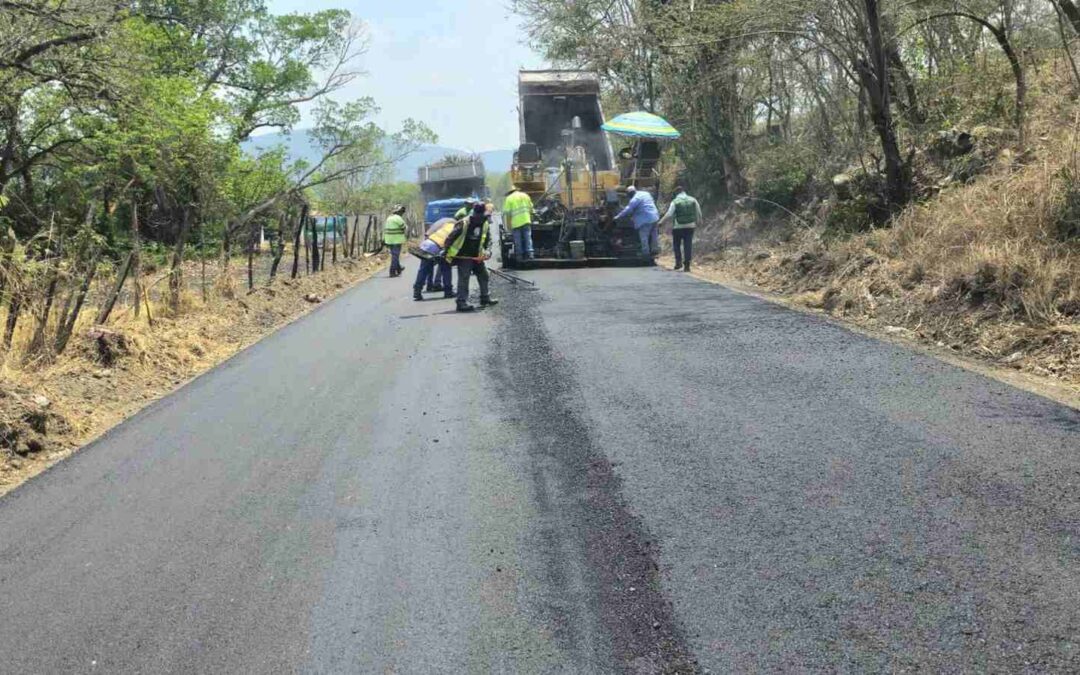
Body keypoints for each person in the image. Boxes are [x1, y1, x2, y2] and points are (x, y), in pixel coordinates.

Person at [446, 202, 499, 313]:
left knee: (483, 275)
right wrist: (445, 251)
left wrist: (488, 251)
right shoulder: (463, 223)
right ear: (474, 214)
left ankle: (485, 298)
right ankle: (461, 303)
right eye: (479, 216)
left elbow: (488, 240)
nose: (481, 219)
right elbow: (450, 238)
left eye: (483, 216)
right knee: (464, 278)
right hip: (464, 256)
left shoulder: (485, 223)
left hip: (477, 256)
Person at [658, 186, 702, 271]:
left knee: (676, 245)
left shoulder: (675, 201)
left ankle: (678, 263)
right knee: (688, 245)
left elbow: (669, 214)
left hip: (678, 226)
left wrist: (661, 222)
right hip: (690, 226)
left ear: (676, 193)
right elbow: (698, 212)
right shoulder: (693, 199)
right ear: (684, 191)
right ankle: (687, 265)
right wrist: (699, 221)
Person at [412, 218, 457, 301]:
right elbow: (452, 242)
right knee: (446, 268)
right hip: (437, 246)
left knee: (424, 269)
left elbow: (430, 233)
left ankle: (417, 291)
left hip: (427, 244)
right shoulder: (456, 228)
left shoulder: (446, 224)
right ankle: (448, 291)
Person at [614, 185, 660, 261]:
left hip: (645, 220)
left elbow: (628, 209)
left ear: (630, 193)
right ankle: (654, 250)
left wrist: (617, 216)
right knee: (654, 235)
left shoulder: (635, 199)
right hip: (654, 216)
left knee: (644, 236)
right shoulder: (645, 194)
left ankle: (646, 254)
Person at [502, 185, 534, 262]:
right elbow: (531, 209)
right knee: (528, 237)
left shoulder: (509, 198)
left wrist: (508, 227)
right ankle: (530, 254)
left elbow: (507, 213)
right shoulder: (525, 195)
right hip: (526, 220)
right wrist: (531, 219)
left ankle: (519, 256)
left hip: (516, 223)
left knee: (517, 240)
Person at [384, 205, 408, 277]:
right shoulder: (398, 218)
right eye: (401, 211)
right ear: (399, 212)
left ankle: (399, 268)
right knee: (395, 256)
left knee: (395, 255)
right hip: (396, 240)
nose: (402, 213)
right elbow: (404, 227)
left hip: (389, 240)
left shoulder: (389, 218)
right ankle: (392, 272)